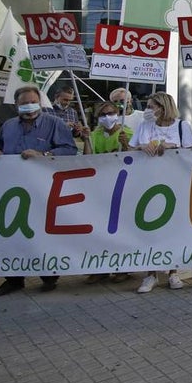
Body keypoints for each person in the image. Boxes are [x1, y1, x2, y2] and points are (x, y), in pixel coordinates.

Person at [0, 85, 77, 297]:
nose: (29, 107)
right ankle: (13, 280)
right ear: (16, 105)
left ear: (40, 102)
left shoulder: (54, 124)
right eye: (23, 103)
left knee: (41, 232)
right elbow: (0, 147)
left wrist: (43, 154)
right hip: (12, 189)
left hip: (42, 188)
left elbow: (70, 150)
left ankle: (48, 276)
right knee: (12, 233)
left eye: (32, 102)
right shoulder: (8, 126)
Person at [128, 91, 192, 293]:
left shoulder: (182, 126)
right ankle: (150, 274)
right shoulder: (144, 126)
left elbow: (190, 154)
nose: (148, 110)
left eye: (151, 106)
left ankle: (173, 272)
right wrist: (143, 147)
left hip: (175, 184)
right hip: (147, 184)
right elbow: (131, 149)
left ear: (163, 107)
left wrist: (172, 147)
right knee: (150, 229)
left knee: (173, 228)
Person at [83, 100, 133, 285]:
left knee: (121, 229)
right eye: (102, 115)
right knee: (99, 229)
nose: (107, 117)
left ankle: (123, 267)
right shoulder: (95, 134)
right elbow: (88, 158)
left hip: (122, 187)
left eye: (111, 113)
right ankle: (100, 267)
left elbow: (135, 158)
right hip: (100, 188)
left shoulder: (126, 133)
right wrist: (87, 139)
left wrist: (126, 145)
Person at [50, 83, 92, 153]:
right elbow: (43, 131)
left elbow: (75, 135)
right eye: (65, 100)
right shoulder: (47, 110)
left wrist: (77, 131)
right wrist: (63, 126)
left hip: (68, 149)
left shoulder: (72, 112)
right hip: (51, 149)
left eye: (70, 100)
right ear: (56, 97)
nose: (67, 103)